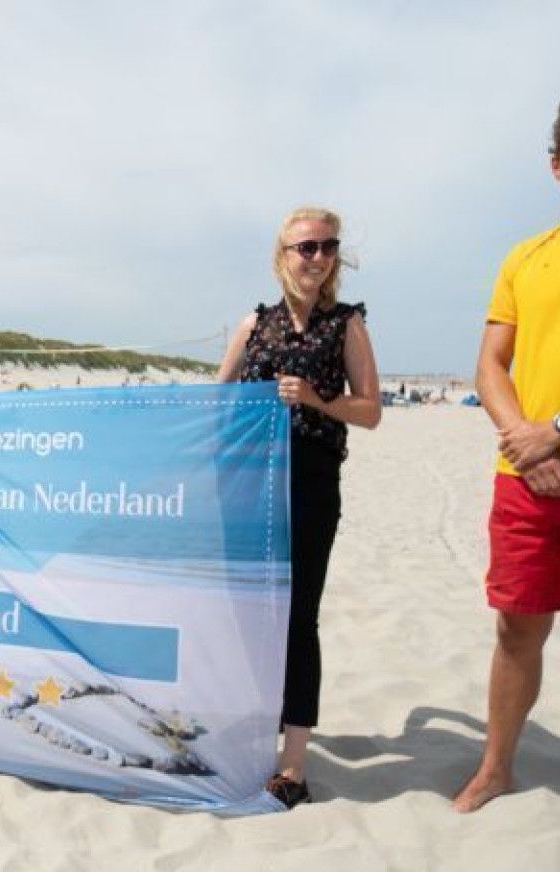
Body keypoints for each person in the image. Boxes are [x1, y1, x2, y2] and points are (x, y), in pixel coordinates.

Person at [456, 85, 560, 813]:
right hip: (525, 480)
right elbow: (490, 366)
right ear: (555, 166)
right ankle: (497, 766)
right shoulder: (527, 256)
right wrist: (527, 443)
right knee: (517, 628)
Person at [216, 206, 381, 808]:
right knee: (246, 613)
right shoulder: (253, 323)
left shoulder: (347, 325)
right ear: (282, 255)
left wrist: (316, 399)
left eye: (327, 246)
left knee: (298, 619)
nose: (316, 257)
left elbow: (371, 410)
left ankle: (293, 764)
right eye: (305, 247)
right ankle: (250, 731)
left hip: (311, 484)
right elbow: (217, 401)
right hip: (249, 485)